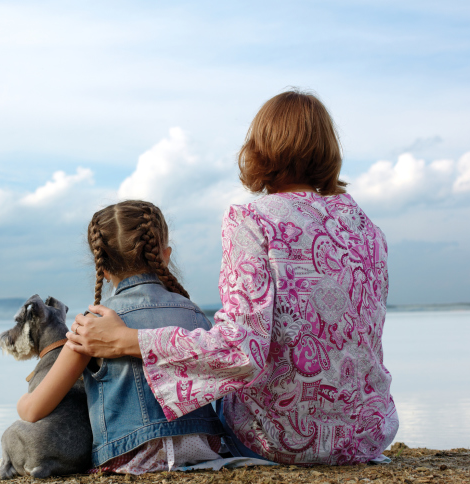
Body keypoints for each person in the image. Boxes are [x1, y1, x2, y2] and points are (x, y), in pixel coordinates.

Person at [67, 90, 399, 465]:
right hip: (368, 433)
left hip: (286, 439)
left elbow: (241, 351)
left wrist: (130, 340)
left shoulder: (253, 220)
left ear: (259, 149)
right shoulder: (367, 229)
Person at [16, 200, 225, 474]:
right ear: (165, 255)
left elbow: (34, 411)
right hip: (205, 446)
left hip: (128, 453)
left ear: (101, 268)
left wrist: (22, 402)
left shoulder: (92, 326)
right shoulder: (195, 313)